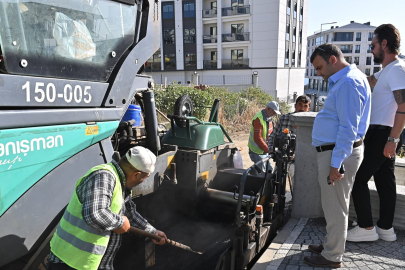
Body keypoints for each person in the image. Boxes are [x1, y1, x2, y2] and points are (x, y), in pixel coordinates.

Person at [303, 44, 371, 268]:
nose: (319, 73)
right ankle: (331, 243)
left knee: (335, 206)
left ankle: (332, 256)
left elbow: (347, 129)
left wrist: (335, 164)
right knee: (336, 204)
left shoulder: (348, 83)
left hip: (338, 152)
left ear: (333, 59)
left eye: (320, 67)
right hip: (338, 151)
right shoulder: (348, 80)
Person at [47, 146, 167, 270]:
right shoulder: (104, 176)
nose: (143, 181)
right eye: (145, 177)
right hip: (69, 262)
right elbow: (95, 214)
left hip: (90, 264)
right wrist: (120, 222)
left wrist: (152, 232)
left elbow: (130, 214)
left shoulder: (121, 184)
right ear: (136, 175)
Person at [348, 24, 405, 243]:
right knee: (384, 181)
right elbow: (366, 83)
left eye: (372, 45)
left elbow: (404, 106)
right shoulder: (387, 71)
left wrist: (393, 139)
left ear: (384, 44)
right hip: (381, 133)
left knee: (358, 179)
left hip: (384, 134)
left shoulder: (398, 69)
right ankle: (385, 229)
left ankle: (366, 227)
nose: (371, 49)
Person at [248, 101, 280, 173]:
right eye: (274, 112)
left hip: (264, 151)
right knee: (262, 174)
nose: (275, 114)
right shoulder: (259, 119)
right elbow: (257, 138)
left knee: (269, 171)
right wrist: (268, 150)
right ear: (268, 109)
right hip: (257, 151)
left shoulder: (269, 117)